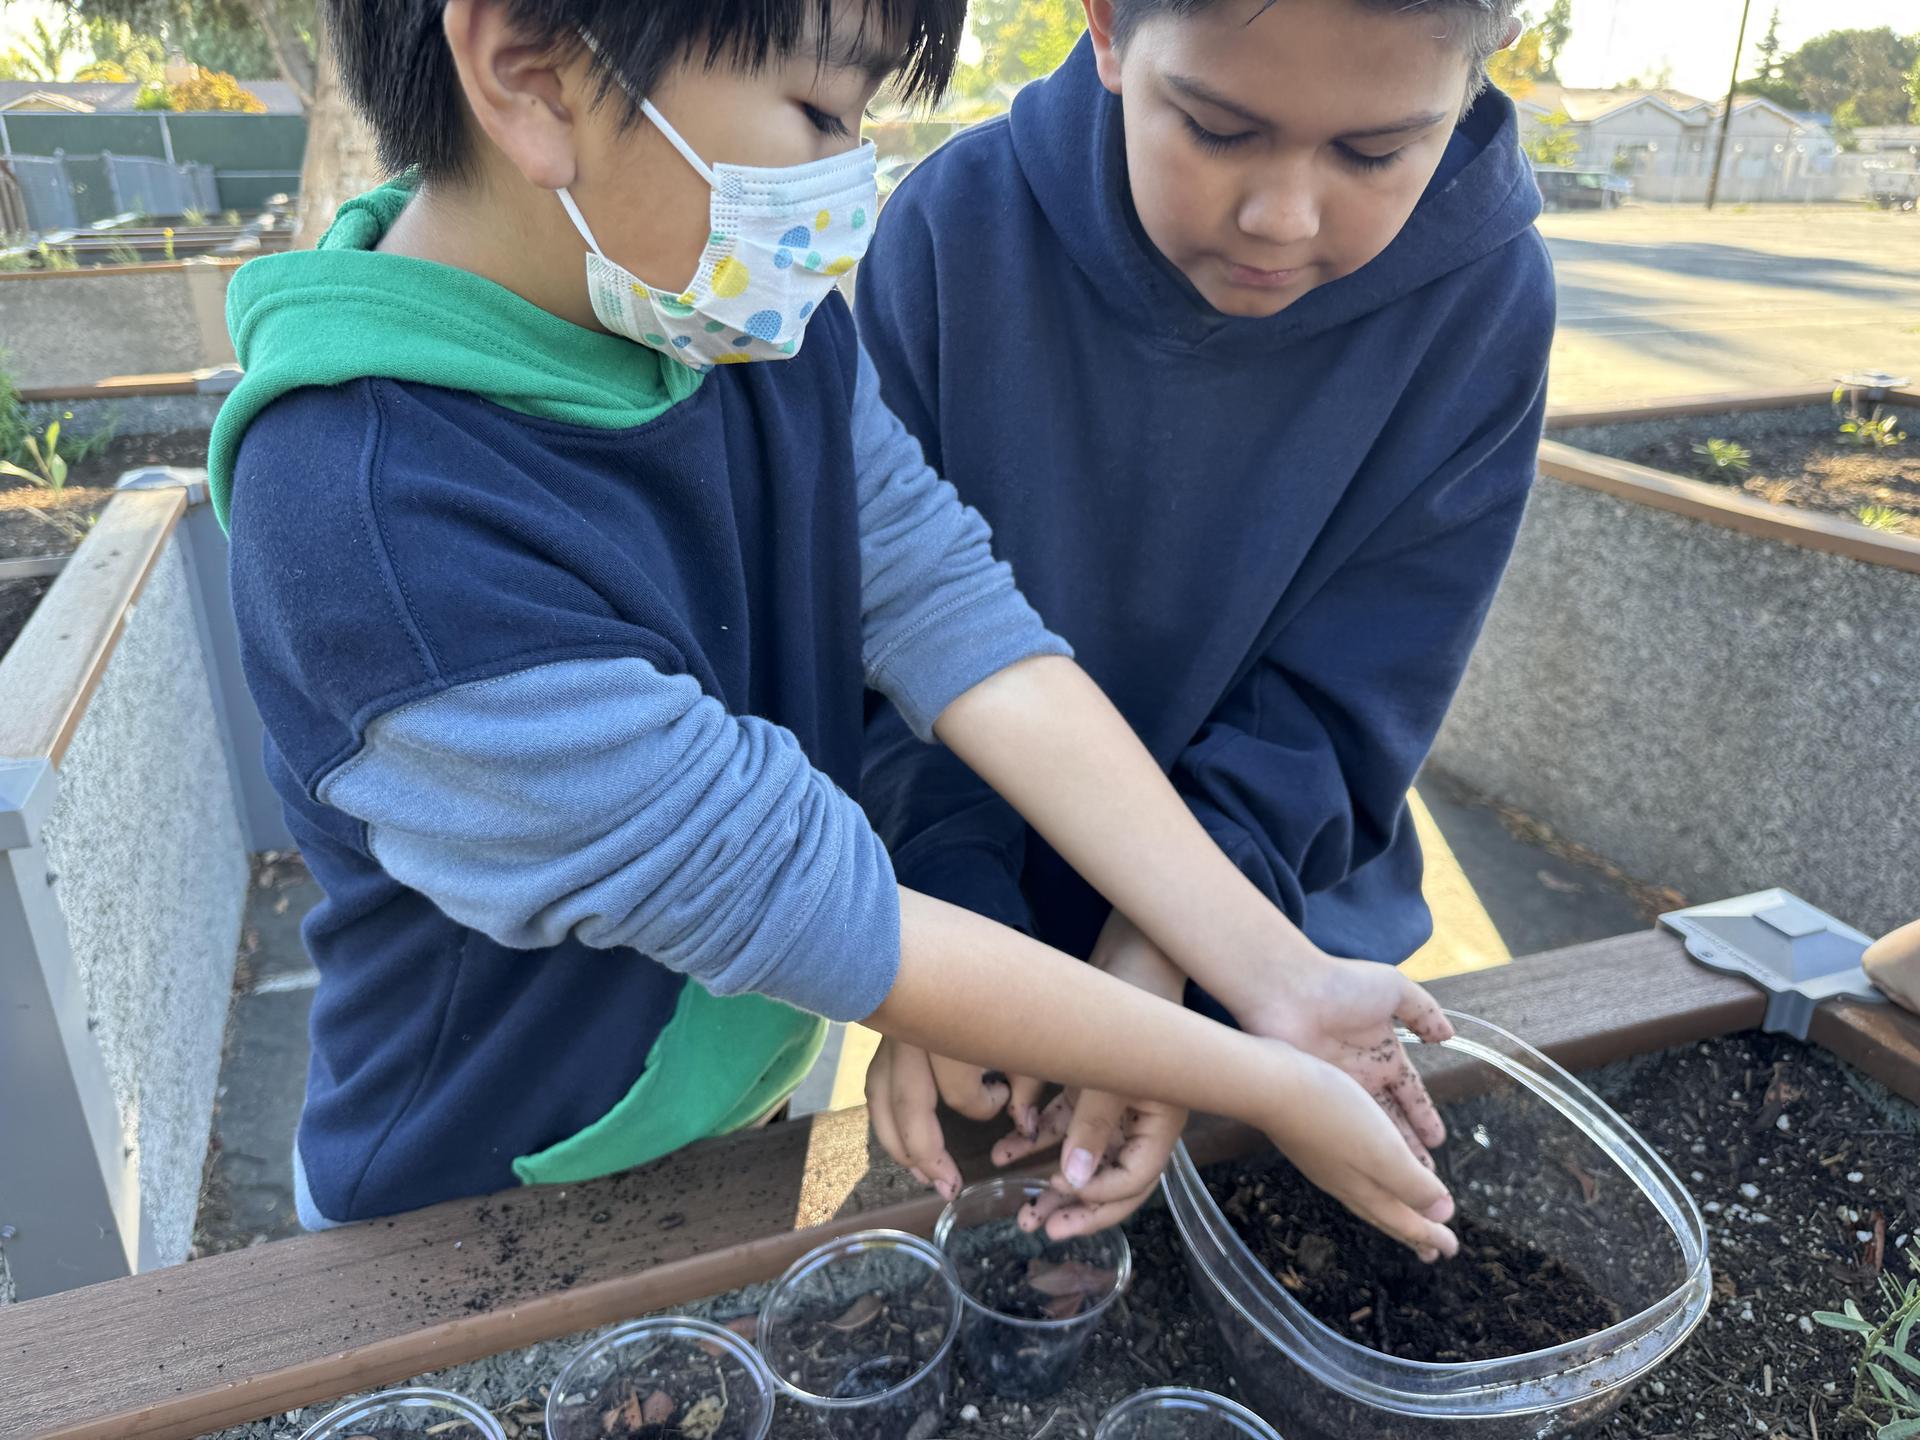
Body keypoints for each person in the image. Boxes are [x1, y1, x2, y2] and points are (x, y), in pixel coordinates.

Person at [214, 0, 1460, 1259]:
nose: (848, 189)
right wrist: (1263, 1075)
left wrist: (1278, 977)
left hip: (724, 1120)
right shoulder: (374, 525)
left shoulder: (744, 333)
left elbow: (950, 610)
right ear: (533, 73)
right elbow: (798, 893)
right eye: (819, 113)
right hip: (464, 1203)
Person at [856, 0, 1555, 1237]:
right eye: (1221, 130)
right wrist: (952, 948)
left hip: (1286, 938)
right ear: (1111, 31)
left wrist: (1176, 945)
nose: (1284, 216)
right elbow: (889, 646)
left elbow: (1354, 696)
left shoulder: (1486, 299)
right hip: (972, 938)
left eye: (1373, 154)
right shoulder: (952, 229)